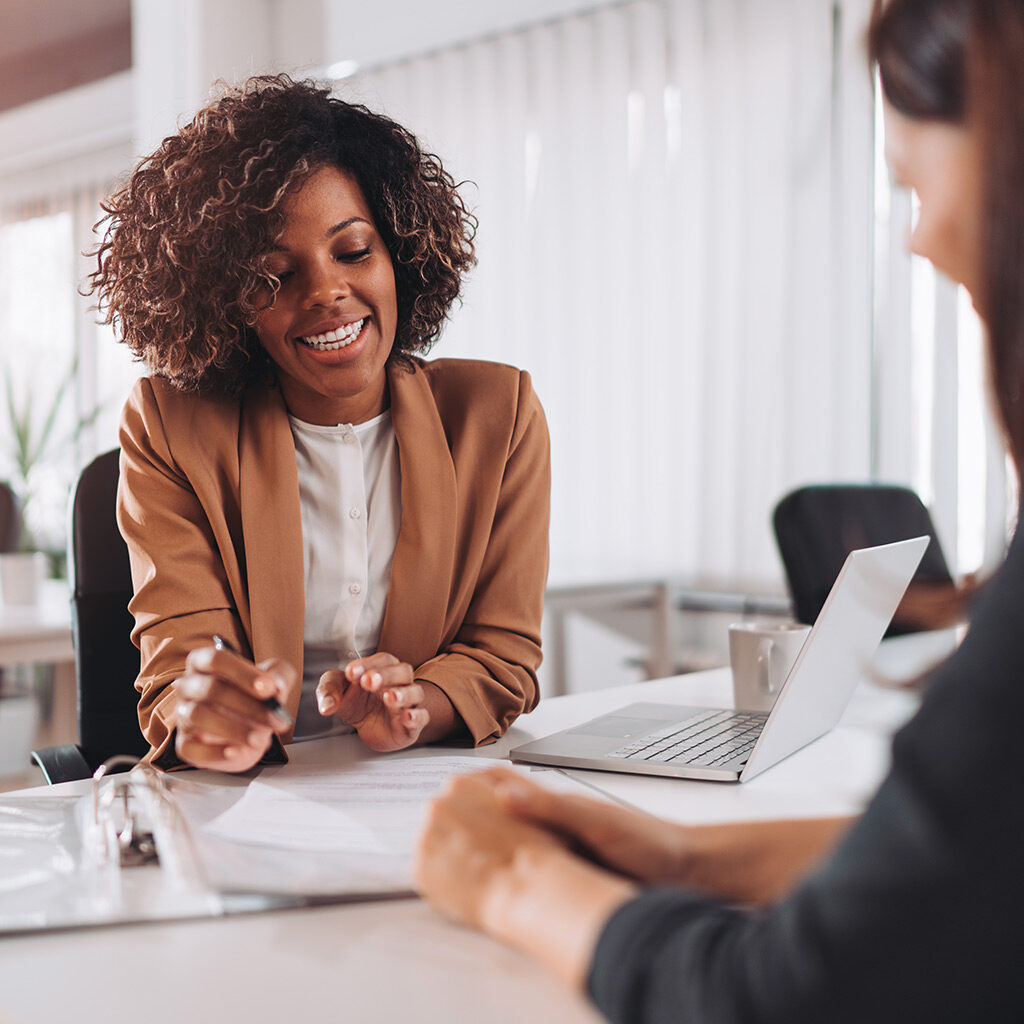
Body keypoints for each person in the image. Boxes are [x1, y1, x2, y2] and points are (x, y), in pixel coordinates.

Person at [415, 1, 1024, 1019]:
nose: (919, 239)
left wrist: (511, 881)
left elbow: (791, 994)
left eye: (915, 185)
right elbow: (972, 871)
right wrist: (678, 854)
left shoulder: (496, 413)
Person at [88, 76, 549, 773]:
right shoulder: (169, 425)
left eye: (354, 251)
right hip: (244, 805)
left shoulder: (497, 415)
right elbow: (179, 670)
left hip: (420, 792)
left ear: (399, 252)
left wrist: (419, 707)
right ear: (229, 304)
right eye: (274, 276)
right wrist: (206, 713)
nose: (327, 293)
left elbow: (502, 655)